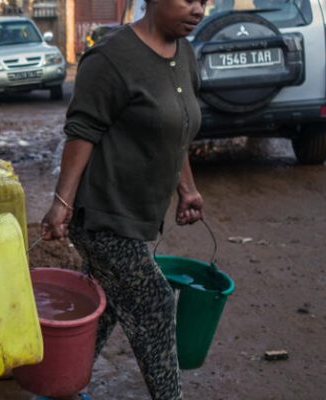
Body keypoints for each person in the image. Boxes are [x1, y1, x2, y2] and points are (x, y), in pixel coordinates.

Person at [40, 0, 206, 398]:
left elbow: (178, 129)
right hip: (100, 213)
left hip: (136, 215)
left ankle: (59, 387)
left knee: (108, 304)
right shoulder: (111, 58)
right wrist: (61, 204)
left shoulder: (184, 53)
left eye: (204, 0)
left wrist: (187, 189)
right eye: (188, 0)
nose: (199, 9)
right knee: (155, 303)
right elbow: (83, 131)